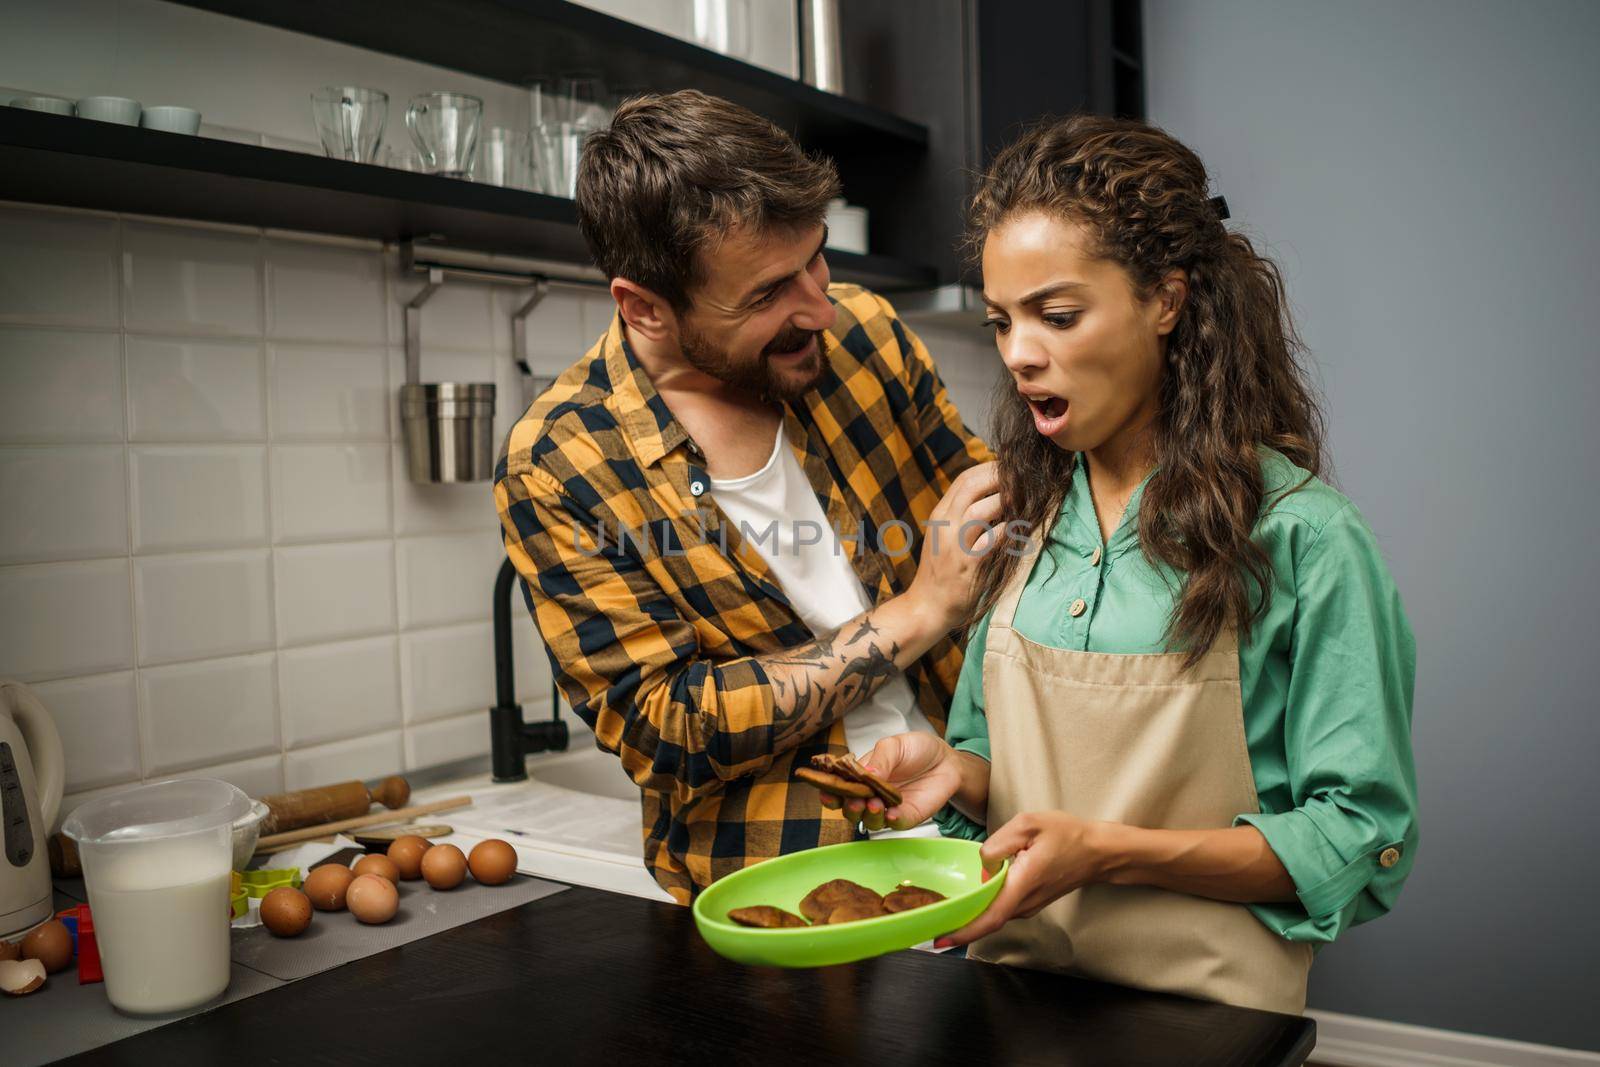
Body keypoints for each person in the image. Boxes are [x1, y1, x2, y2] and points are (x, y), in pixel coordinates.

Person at [826, 115, 1418, 1014]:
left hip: (1208, 1019)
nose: (1021, 353)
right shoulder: (1015, 521)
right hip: (1011, 1001)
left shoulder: (1303, 535)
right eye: (1002, 322)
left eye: (1057, 315)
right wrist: (956, 772)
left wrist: (1110, 850)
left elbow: (1360, 832)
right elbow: (1005, 764)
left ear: (1166, 301)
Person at [495, 91, 999, 904]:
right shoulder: (561, 464)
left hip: (980, 822)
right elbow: (667, 730)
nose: (820, 306)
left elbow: (995, 512)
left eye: (817, 257)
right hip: (785, 891)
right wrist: (918, 610)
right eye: (768, 295)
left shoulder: (863, 334)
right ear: (645, 308)